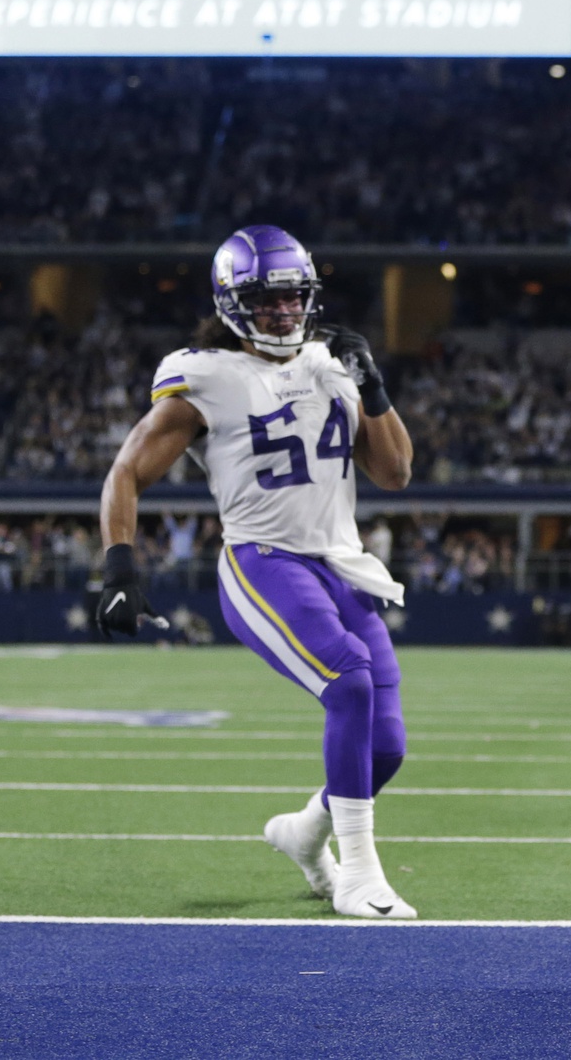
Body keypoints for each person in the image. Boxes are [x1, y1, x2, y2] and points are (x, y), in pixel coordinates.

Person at [97, 225, 417, 919]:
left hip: (342, 563)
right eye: (267, 300)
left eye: (293, 297)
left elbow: (394, 471)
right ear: (233, 302)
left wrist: (376, 388)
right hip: (262, 560)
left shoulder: (331, 361)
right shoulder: (204, 374)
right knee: (349, 678)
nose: (283, 312)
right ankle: (359, 873)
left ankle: (306, 833)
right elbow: (127, 470)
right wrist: (119, 566)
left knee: (386, 745)